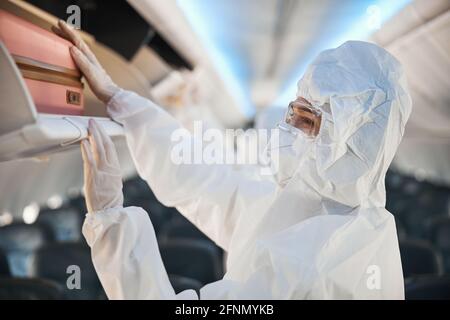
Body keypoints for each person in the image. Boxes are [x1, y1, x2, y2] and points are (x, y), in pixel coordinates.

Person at [55, 20, 412, 299]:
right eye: (293, 113)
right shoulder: (314, 206)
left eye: (308, 120)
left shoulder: (320, 264)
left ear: (350, 140)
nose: (289, 129)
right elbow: (211, 186)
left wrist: (110, 223)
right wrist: (123, 102)